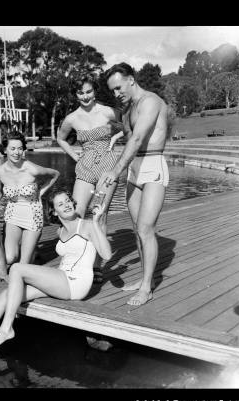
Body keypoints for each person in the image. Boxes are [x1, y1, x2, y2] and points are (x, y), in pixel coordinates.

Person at [0, 188, 113, 355]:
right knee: (8, 294)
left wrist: (97, 222)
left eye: (68, 201)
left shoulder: (87, 225)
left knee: (17, 268)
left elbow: (106, 254)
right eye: (60, 204)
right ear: (53, 212)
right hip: (63, 280)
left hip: (76, 283)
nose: (67, 205)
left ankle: (6, 328)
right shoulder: (60, 231)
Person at [98, 62, 170, 306]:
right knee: (138, 231)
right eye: (113, 91)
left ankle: (147, 288)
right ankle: (143, 279)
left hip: (152, 167)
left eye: (118, 87)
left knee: (145, 230)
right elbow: (129, 135)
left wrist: (114, 171)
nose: (117, 94)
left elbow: (139, 138)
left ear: (131, 79)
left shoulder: (150, 101)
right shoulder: (128, 108)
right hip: (134, 171)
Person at [56, 75, 124, 280]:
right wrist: (72, 153)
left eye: (89, 92)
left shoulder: (108, 111)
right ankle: (72, 257)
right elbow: (60, 138)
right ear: (76, 95)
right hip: (85, 165)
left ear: (94, 91)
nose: (85, 97)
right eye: (80, 93)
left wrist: (115, 136)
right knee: (75, 213)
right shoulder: (71, 118)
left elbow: (131, 125)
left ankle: (95, 266)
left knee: (99, 214)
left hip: (107, 165)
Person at [0, 131, 59, 266]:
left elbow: (55, 174)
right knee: (9, 259)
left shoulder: (32, 169)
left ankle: (31, 252)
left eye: (20, 148)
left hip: (33, 215)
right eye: (12, 148)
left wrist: (41, 192)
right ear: (5, 150)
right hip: (12, 215)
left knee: (24, 265)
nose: (16, 152)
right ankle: (30, 250)